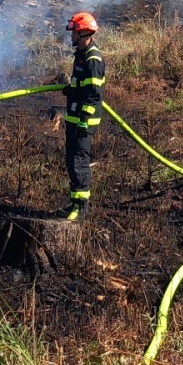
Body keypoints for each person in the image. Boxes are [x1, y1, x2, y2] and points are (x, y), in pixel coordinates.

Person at [62, 11, 104, 220]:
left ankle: (81, 208)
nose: (71, 37)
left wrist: (84, 120)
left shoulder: (92, 59)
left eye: (74, 33)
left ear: (83, 33)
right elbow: (82, 86)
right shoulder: (80, 54)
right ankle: (73, 204)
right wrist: (71, 90)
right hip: (74, 117)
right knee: (71, 161)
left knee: (79, 162)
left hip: (83, 122)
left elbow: (94, 95)